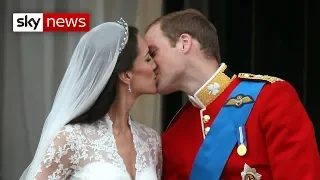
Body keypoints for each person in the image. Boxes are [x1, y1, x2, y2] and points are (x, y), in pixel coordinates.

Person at [144, 9, 319, 180]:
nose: (150, 65)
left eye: (153, 53)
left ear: (184, 43)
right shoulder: (175, 133)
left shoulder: (271, 97)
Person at [19, 18, 162, 180]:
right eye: (148, 59)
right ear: (126, 75)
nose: (155, 65)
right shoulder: (71, 139)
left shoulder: (151, 141)